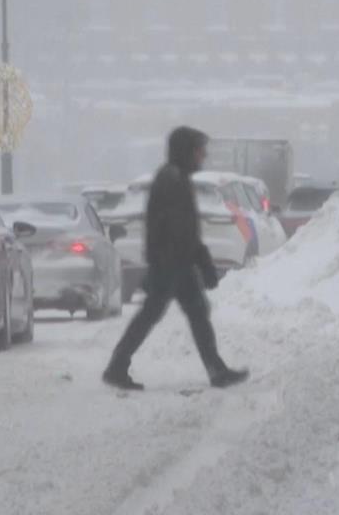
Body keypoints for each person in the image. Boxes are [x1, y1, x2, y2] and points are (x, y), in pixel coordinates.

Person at [103, 126, 248, 391]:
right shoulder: (172, 180)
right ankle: (117, 366)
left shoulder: (175, 177)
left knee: (193, 313)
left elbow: (182, 228)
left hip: (174, 262)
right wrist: (201, 261)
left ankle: (216, 370)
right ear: (186, 151)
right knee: (155, 314)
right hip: (171, 263)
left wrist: (196, 259)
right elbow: (179, 228)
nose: (203, 155)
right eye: (199, 150)